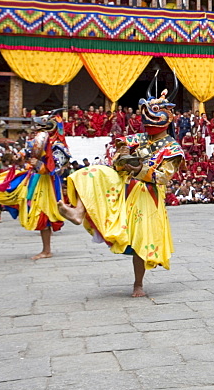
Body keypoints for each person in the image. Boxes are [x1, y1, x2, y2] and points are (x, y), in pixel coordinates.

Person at [59, 79, 185, 297]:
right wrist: (122, 156)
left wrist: (138, 168)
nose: (148, 120)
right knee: (91, 173)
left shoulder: (172, 148)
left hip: (147, 194)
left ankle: (138, 284)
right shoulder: (139, 137)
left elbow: (163, 177)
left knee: (140, 240)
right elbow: (117, 154)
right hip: (123, 183)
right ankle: (78, 211)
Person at [0, 111, 71, 260]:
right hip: (34, 178)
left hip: (48, 183)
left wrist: (39, 165)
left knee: (43, 213)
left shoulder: (58, 145)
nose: (38, 129)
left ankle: (46, 250)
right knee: (9, 187)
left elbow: (58, 168)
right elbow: (28, 151)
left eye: (42, 126)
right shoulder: (37, 141)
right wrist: (19, 156)